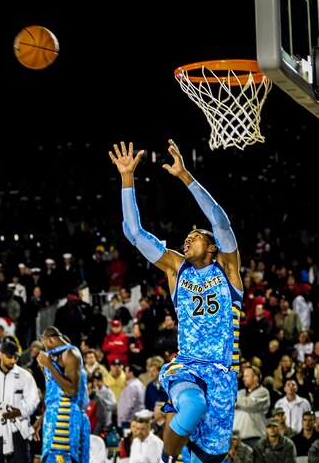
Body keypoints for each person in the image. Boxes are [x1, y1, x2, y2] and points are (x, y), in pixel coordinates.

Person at [109, 139, 243, 463]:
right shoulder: (175, 267)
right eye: (187, 237)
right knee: (193, 404)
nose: (188, 238)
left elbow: (220, 221)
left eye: (195, 236)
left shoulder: (228, 269)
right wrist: (127, 179)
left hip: (223, 375)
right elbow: (135, 233)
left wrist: (185, 176)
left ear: (213, 248)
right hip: (187, 366)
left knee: (213, 456)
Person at [36, 326, 90, 463]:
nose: (45, 349)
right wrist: (43, 417)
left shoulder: (70, 354)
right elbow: (55, 391)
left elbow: (71, 390)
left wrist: (49, 365)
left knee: (61, 458)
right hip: (54, 415)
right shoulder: (56, 356)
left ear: (48, 340)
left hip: (65, 416)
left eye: (44, 344)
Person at [233, 365, 270, 449]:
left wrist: (234, 399)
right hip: (237, 438)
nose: (243, 378)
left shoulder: (263, 392)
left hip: (254, 438)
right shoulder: (241, 393)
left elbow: (249, 404)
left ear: (255, 377)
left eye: (246, 376)